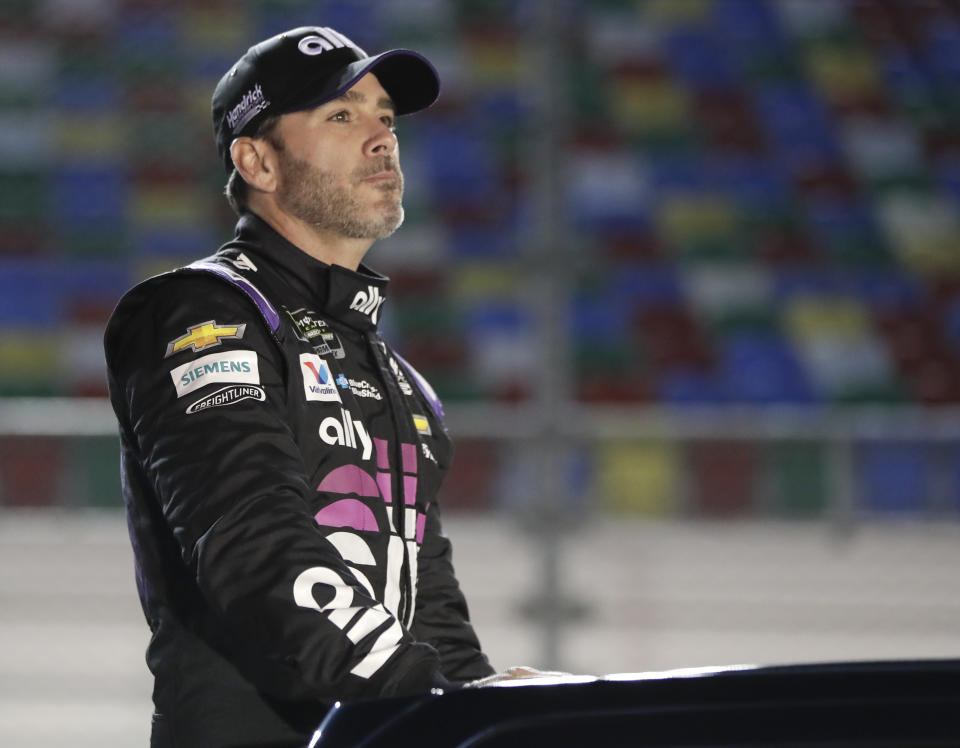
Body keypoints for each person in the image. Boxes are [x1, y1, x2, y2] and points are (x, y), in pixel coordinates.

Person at [104, 25, 542, 748]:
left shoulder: (403, 383)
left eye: (385, 117)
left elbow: (428, 611)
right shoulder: (197, 312)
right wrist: (434, 701)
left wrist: (483, 709)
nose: (380, 138)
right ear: (258, 162)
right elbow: (254, 545)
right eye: (341, 116)